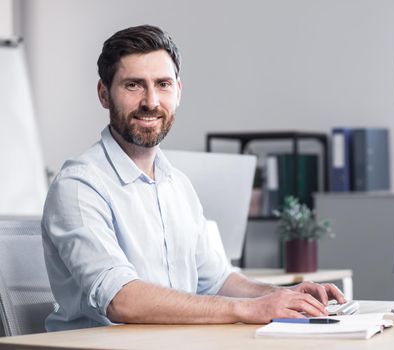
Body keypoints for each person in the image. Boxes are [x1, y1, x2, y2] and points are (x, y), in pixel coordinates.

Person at [41, 24, 345, 332]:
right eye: (133, 85)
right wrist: (248, 308)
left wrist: (281, 295)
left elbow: (217, 279)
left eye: (163, 84)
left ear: (178, 92)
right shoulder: (79, 186)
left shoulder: (177, 184)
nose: (151, 101)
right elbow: (121, 299)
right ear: (104, 94)